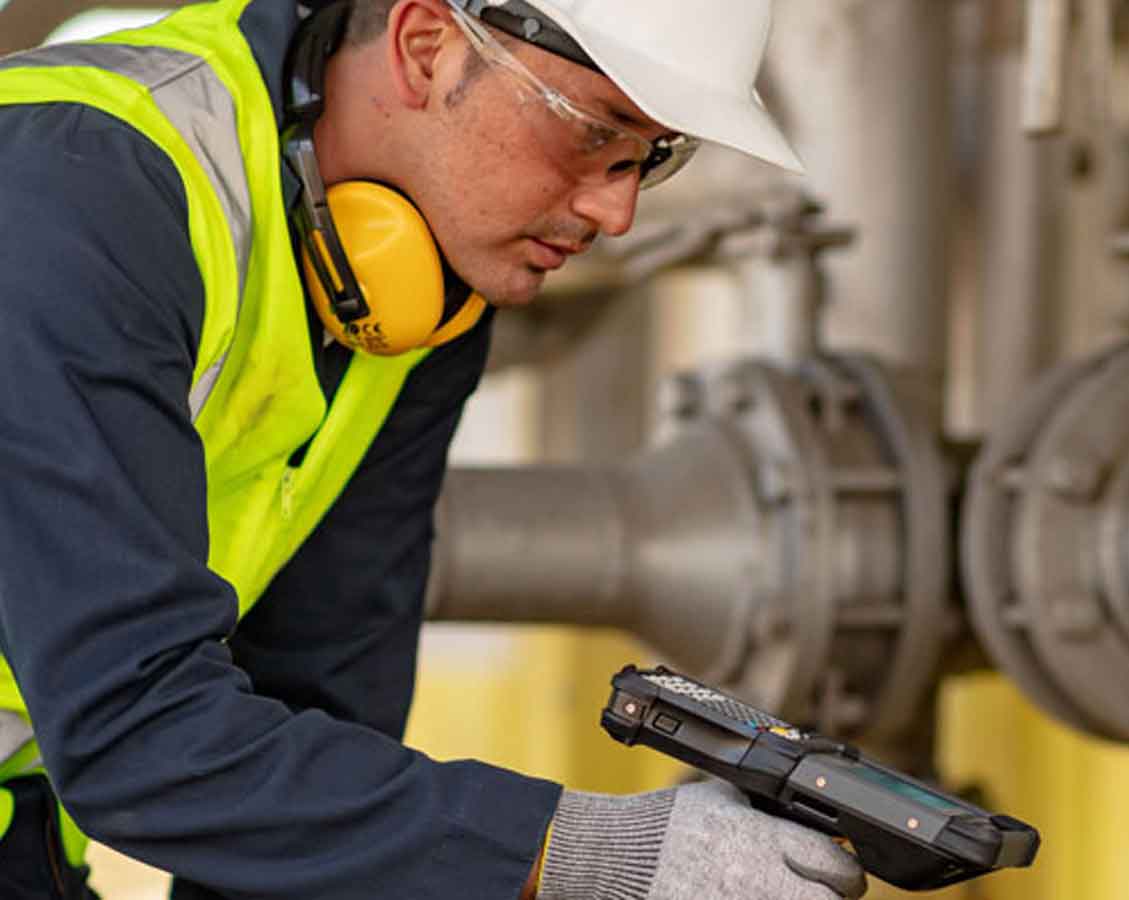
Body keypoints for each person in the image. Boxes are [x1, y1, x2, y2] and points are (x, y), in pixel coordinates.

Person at [0, 1, 868, 898]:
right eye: (592, 132)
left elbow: (319, 698)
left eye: (650, 156)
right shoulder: (78, 188)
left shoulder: (423, 294)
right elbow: (132, 728)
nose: (617, 212)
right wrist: (587, 852)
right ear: (425, 45)